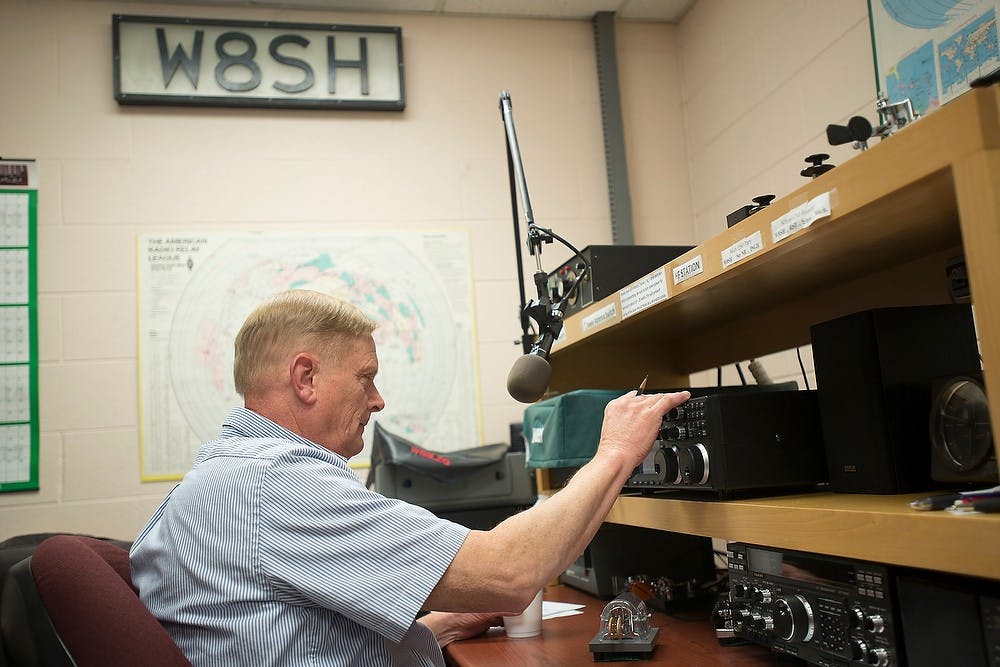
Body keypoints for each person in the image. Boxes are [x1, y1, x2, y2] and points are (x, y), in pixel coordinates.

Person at [130, 289, 690, 666]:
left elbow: (297, 633)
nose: (378, 400)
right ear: (305, 378)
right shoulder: (271, 485)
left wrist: (438, 627)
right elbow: (513, 573)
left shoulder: (225, 472)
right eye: (366, 377)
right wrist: (615, 451)